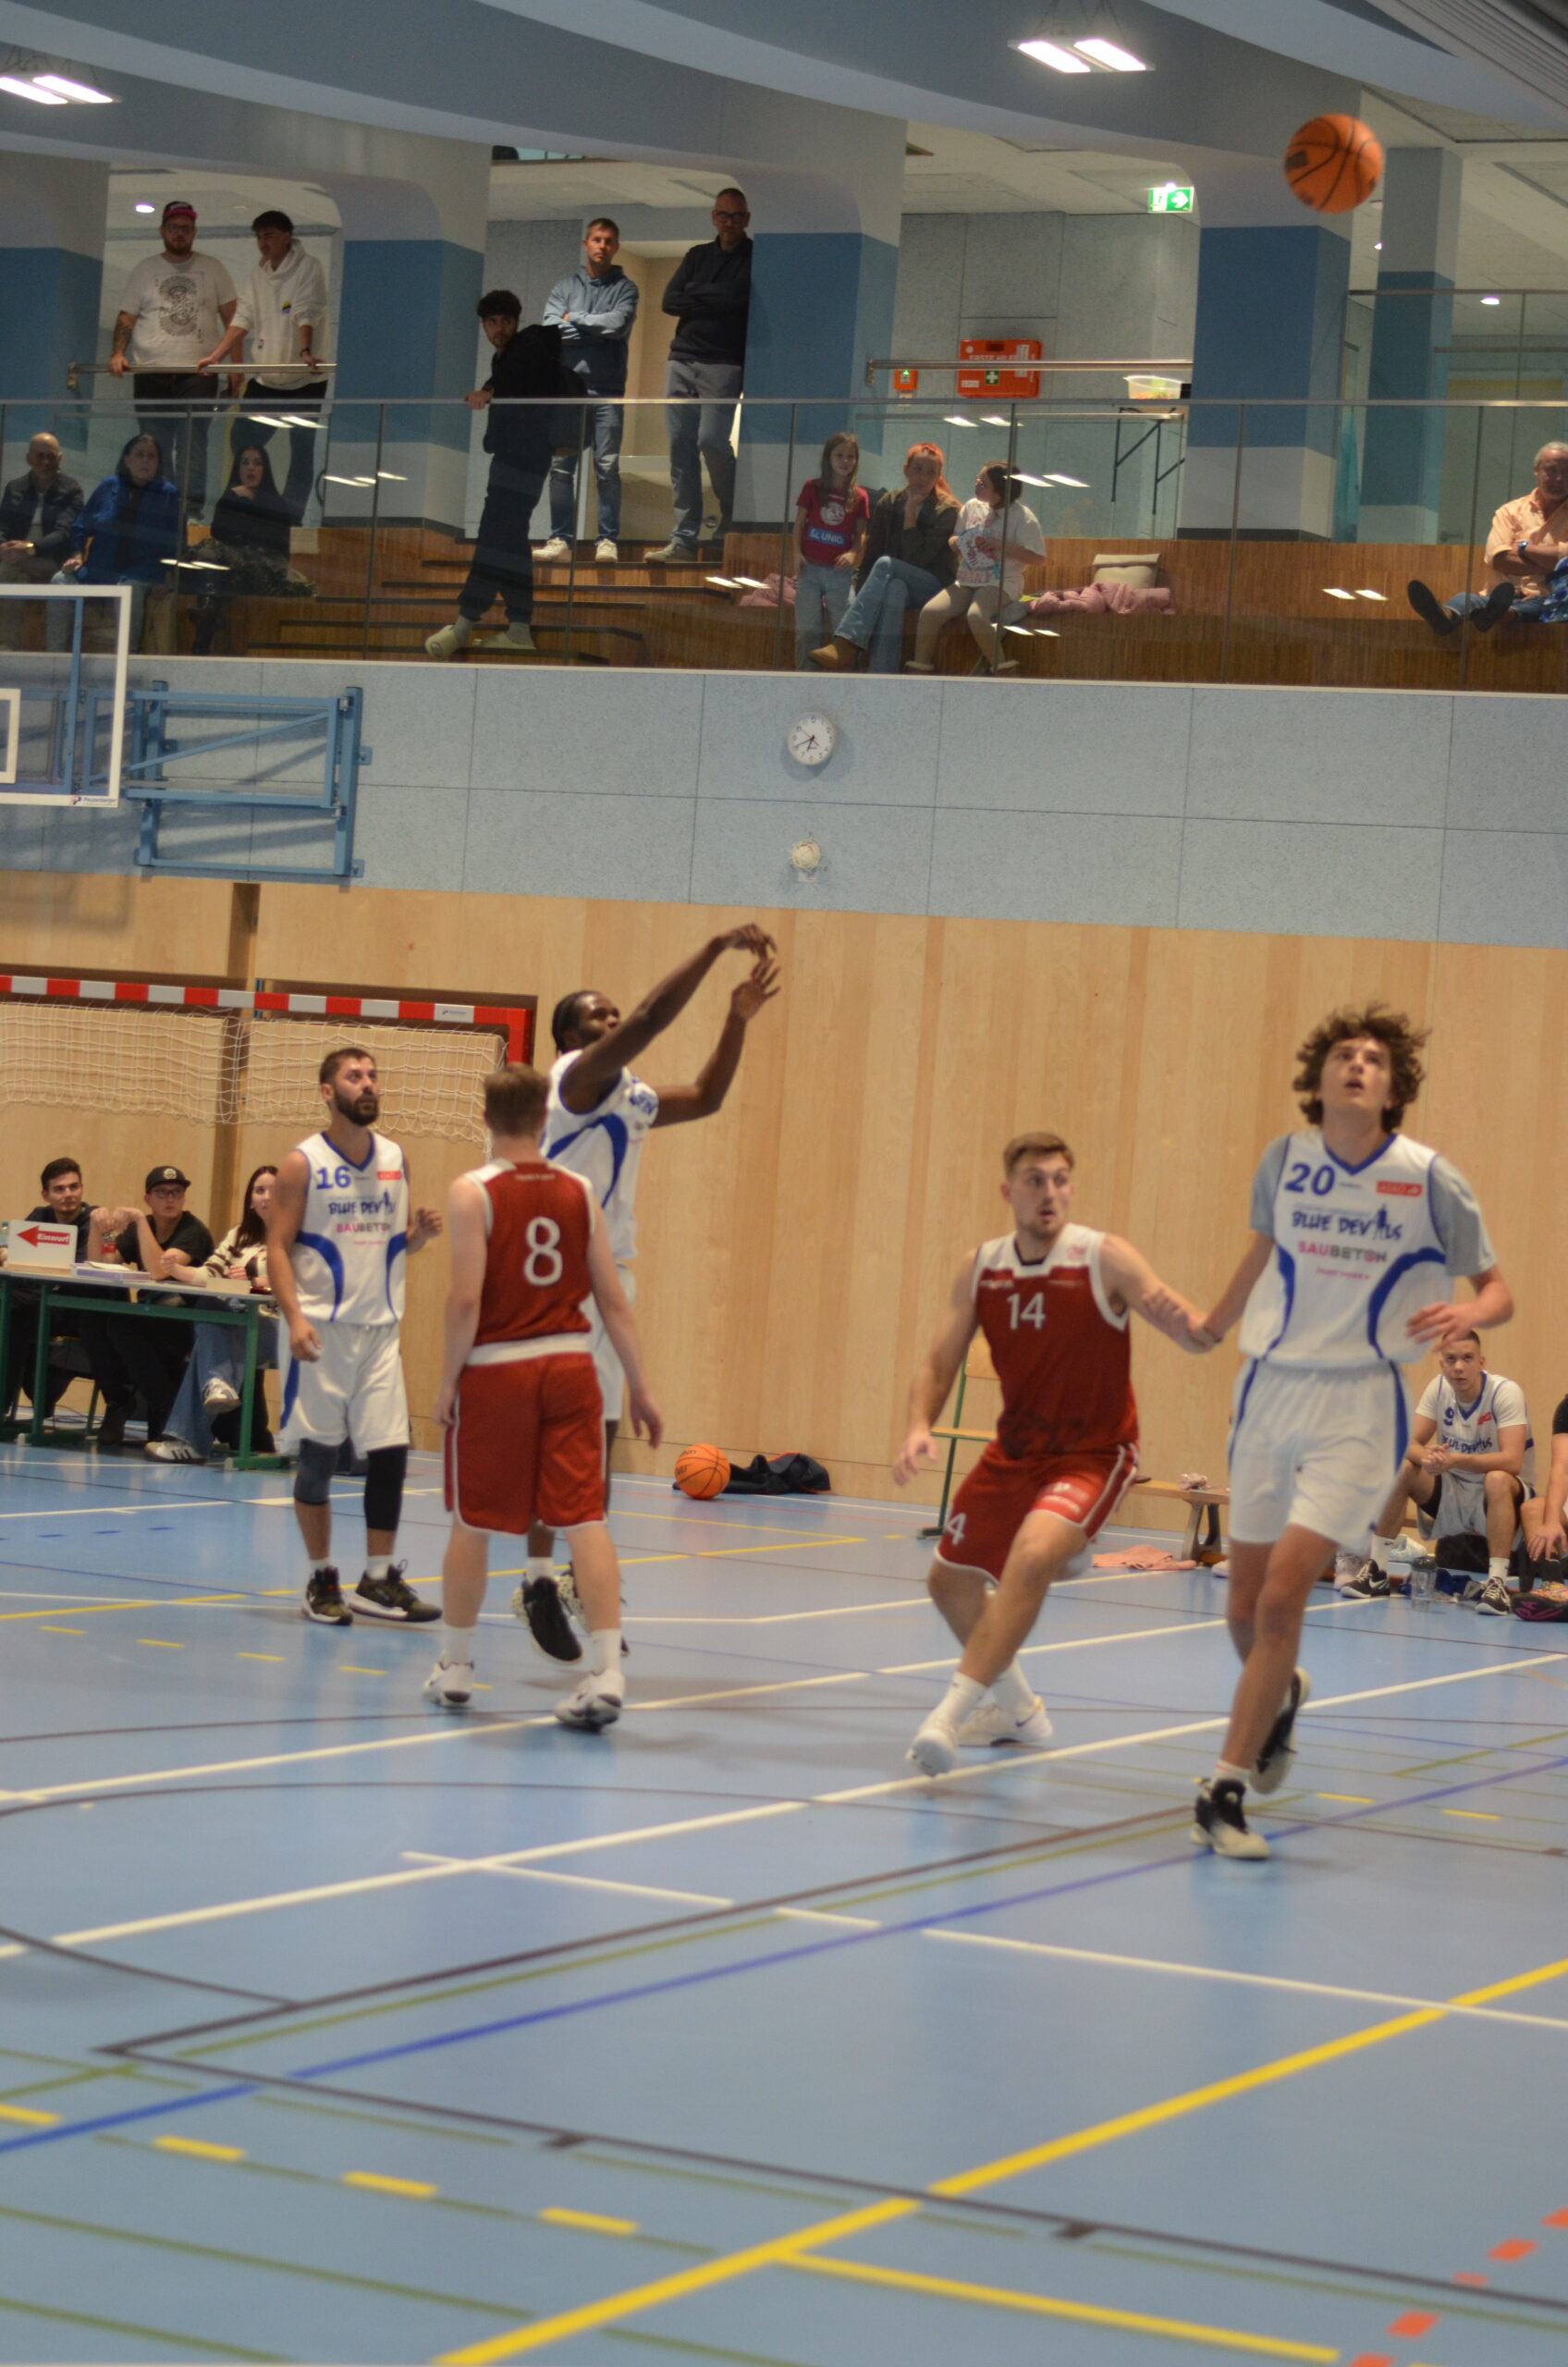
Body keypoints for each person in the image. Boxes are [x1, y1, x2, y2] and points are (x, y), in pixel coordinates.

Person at [1183, 1004, 1512, 1860]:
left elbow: (1498, 1292)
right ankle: (1279, 1697)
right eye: (1343, 1055)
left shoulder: (1430, 1178)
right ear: (1319, 1078)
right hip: (1270, 1389)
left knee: (1284, 1596)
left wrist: (1469, 1312)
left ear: (1393, 1086)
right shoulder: (1284, 1161)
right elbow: (1258, 1259)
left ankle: (1223, 1790)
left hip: (1361, 1406)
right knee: (1243, 1607)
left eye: (1374, 1058)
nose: (1357, 1065)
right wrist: (1211, 1325)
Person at [894, 1132, 1208, 1776]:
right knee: (948, 1581)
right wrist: (918, 1425)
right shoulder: (983, 1268)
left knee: (1032, 1556)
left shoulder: (1103, 1259)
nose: (1050, 1192)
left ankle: (947, 1716)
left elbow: (1189, 1327)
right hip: (1016, 1451)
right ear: (1008, 1191)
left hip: (1092, 1453)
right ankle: (1018, 1712)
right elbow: (938, 1361)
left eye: (1061, 1179)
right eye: (1035, 1180)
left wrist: (1220, 1319)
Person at [516, 925, 781, 1661]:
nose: (613, 1019)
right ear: (571, 1038)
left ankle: (579, 1579)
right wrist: (715, 947)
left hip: (610, 1276)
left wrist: (736, 1019)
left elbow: (707, 1096)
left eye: (612, 1013)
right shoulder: (573, 1082)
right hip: (556, 1280)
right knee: (556, 1439)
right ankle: (535, 1579)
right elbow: (650, 1017)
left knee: (599, 1445)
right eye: (597, 1015)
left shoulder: (627, 1095)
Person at [429, 1062, 664, 1728]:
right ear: (543, 1118)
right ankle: (608, 1671)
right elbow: (613, 1300)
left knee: (472, 1521)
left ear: (486, 1119)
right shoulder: (579, 1190)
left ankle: (456, 1664)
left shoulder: (472, 1191)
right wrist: (641, 1386)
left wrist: (446, 1380)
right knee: (585, 1519)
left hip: (499, 1369)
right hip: (570, 1366)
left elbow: (466, 1299)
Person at [267, 1047, 444, 1624]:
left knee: (391, 1452)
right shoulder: (302, 1163)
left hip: (380, 1331)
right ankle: (321, 1577)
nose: (368, 1083)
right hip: (320, 1329)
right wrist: (295, 1318)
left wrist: (418, 1238)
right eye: (354, 1076)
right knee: (319, 1459)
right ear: (327, 1091)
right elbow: (277, 1247)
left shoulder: (396, 1157)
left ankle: (377, 1578)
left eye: (372, 1075)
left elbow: (393, 1243)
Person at [1338, 1331, 1533, 1613]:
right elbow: (1407, 1443)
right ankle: (1377, 1571)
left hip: (1503, 1496)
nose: (1458, 1367)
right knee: (1404, 1467)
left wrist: (1456, 1460)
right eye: (1451, 1359)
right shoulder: (1439, 1388)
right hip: (1454, 1488)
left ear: (1481, 1362)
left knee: (1498, 1479)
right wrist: (1430, 1458)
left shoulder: (1505, 1392)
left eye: (1467, 1358)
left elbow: (1512, 1461)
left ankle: (1497, 1585)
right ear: (1442, 1363)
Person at [425, 292, 562, 662]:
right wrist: (492, 386)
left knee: (495, 537)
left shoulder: (530, 343)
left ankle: (465, 622)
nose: (498, 329)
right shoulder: (504, 357)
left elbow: (517, 369)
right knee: (509, 539)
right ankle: (518, 627)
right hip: (513, 457)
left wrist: (489, 390)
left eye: (505, 321)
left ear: (517, 321)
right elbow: (507, 373)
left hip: (524, 457)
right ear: (483, 324)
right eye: (492, 322)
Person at [195, 209, 330, 524]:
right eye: (259, 237)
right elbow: (243, 318)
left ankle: (291, 521)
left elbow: (306, 311)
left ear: (287, 237)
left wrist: (306, 350)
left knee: (301, 451)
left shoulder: (309, 267)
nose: (262, 243)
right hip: (266, 377)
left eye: (269, 236)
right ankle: (241, 506)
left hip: (305, 380)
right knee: (242, 440)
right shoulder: (258, 274)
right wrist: (217, 356)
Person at [108, 200, 236, 520]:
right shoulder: (145, 270)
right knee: (155, 444)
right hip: (152, 371)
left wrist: (236, 369)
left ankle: (190, 511)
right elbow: (127, 317)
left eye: (186, 228)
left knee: (194, 442)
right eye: (174, 227)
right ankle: (161, 508)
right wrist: (117, 353)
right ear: (162, 230)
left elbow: (234, 320)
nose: (180, 233)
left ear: (194, 232)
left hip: (199, 372)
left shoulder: (213, 268)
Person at [146, 1165, 279, 1465]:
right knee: (209, 1305)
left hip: (279, 1327)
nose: (266, 1197)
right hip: (238, 1321)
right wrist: (175, 1269)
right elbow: (209, 1274)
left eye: (274, 1190)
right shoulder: (239, 1235)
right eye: (259, 1190)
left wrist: (255, 1282)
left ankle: (190, 1439)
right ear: (250, 1200)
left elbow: (301, 1287)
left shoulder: (299, 1238)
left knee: (208, 1348)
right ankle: (217, 1387)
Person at [78, 1165, 215, 1450]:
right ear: (148, 1198)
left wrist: (140, 1220)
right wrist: (98, 1229)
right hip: (152, 1316)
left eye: (177, 1192)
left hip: (188, 1321)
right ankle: (119, 1399)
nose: (170, 1199)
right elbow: (103, 1262)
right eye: (162, 1193)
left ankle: (165, 1407)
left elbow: (160, 1269)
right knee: (93, 1322)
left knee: (122, 1328)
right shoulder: (144, 1227)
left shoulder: (193, 1230)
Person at [648, 189, 753, 564]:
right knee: (680, 447)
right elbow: (669, 301)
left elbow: (737, 298)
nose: (729, 223)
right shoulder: (697, 255)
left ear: (746, 219)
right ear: (713, 217)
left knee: (712, 441)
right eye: (723, 215)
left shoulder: (754, 256)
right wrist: (714, 296)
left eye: (736, 216)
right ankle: (684, 537)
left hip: (724, 363)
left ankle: (732, 520)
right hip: (681, 360)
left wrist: (696, 293)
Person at [808, 444, 960, 673]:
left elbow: (917, 559)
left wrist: (910, 514)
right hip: (894, 582)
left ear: (938, 476)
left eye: (931, 472)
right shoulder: (889, 502)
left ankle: (846, 643)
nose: (923, 477)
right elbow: (872, 552)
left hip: (933, 587)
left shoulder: (947, 510)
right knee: (894, 589)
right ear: (906, 470)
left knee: (886, 564)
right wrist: (863, 593)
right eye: (918, 469)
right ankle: (881, 673)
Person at [539, 218, 639, 565]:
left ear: (616, 246)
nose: (602, 246)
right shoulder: (564, 286)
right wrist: (597, 330)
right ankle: (560, 539)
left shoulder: (626, 288)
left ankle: (607, 540)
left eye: (609, 241)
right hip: (569, 392)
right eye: (597, 239)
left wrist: (575, 318)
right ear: (586, 244)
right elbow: (551, 330)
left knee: (606, 468)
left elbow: (618, 325)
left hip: (608, 392)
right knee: (561, 468)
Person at [1406, 442, 1568, 636]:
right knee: (1466, 598)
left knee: (1531, 607)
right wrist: (1555, 566)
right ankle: (1445, 617)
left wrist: (1525, 549)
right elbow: (1499, 559)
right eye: (1551, 470)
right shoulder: (1510, 511)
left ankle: (1499, 614)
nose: (1559, 478)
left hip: (1549, 602)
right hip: (1497, 596)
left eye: (1566, 472)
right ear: (1537, 470)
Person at [908, 460, 1046, 676]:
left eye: (983, 483)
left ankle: (1003, 670)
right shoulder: (971, 507)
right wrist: (957, 543)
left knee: (977, 615)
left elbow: (1038, 558)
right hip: (966, 579)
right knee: (930, 612)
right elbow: (954, 538)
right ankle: (920, 671)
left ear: (1000, 489)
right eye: (977, 480)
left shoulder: (1022, 517)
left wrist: (999, 545)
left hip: (1001, 581)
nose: (977, 485)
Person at [49, 434, 179, 654]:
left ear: (158, 462)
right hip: (100, 568)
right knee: (59, 580)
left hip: (143, 573)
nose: (145, 460)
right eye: (139, 455)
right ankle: (55, 657)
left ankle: (126, 659)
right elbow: (80, 526)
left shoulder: (169, 494)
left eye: (151, 456)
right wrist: (77, 555)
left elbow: (175, 542)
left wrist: (168, 577)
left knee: (128, 590)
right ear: (127, 460)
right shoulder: (109, 486)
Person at [188, 445, 315, 655]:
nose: (251, 468)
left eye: (257, 463)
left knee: (212, 554)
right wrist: (234, 499)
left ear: (265, 469)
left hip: (266, 570)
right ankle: (206, 622)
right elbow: (218, 531)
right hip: (232, 569)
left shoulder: (276, 504)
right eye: (245, 462)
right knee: (207, 552)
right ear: (238, 468)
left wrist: (245, 505)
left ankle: (205, 626)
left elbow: (267, 540)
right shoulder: (231, 497)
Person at [3, 1156, 96, 1417]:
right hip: (34, 1303)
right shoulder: (39, 1216)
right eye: (59, 1189)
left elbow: (79, 1271)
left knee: (10, 1312)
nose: (68, 1194)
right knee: (9, 1310)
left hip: (72, 1310)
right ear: (46, 1194)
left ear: (82, 1188)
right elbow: (12, 1252)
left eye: (74, 1186)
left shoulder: (93, 1221)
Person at [791, 433, 870, 670]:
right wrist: (796, 553)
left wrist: (853, 553)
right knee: (807, 630)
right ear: (828, 457)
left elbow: (861, 534)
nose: (845, 461)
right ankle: (806, 676)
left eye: (851, 456)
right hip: (810, 569)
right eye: (839, 455)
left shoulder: (860, 496)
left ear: (856, 460)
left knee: (844, 631)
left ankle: (844, 678)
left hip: (839, 572)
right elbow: (799, 524)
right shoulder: (812, 487)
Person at [0, 435, 83, 645]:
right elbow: (3, 526)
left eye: (51, 456)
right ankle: (10, 648)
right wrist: (3, 547)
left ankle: (5, 647)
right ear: (29, 458)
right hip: (16, 556)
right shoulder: (15, 487)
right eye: (40, 456)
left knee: (6, 570)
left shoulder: (71, 489)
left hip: (51, 557)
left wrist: (29, 548)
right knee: (18, 581)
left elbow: (63, 533)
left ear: (59, 458)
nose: (45, 462)